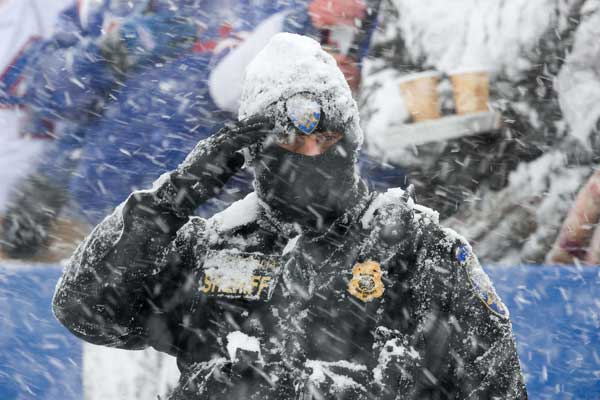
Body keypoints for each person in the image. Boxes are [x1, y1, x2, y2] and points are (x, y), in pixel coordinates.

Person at [52, 33, 526, 399]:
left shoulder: (417, 248)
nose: (311, 151)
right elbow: (85, 311)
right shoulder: (211, 248)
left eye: (327, 135)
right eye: (289, 138)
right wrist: (175, 197)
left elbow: (500, 388)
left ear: (350, 140)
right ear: (252, 150)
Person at [0, 0, 385, 260]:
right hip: (96, 225)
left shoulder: (280, 9)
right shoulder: (111, 5)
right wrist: (111, 52)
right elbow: (41, 89)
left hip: (228, 232)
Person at [360, 0, 600, 265]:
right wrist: (400, 119)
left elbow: (580, 78)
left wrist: (513, 113)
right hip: (440, 194)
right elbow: (376, 87)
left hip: (541, 186)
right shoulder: (405, 6)